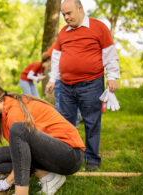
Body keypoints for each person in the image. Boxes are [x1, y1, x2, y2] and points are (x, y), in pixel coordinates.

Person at [0, 78, 85, 195]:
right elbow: (20, 152)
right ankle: (49, 177)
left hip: (69, 156)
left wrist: (6, 182)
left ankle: (21, 192)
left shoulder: (15, 111)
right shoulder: (5, 112)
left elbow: (20, 152)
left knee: (18, 129)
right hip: (49, 154)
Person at [46, 0, 120, 171]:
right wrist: (52, 80)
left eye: (69, 13)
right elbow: (56, 58)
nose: (65, 17)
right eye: (63, 14)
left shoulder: (98, 27)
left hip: (91, 84)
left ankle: (92, 160)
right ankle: (69, 159)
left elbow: (109, 53)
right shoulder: (64, 32)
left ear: (80, 9)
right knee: (66, 123)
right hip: (65, 86)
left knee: (91, 121)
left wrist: (112, 76)